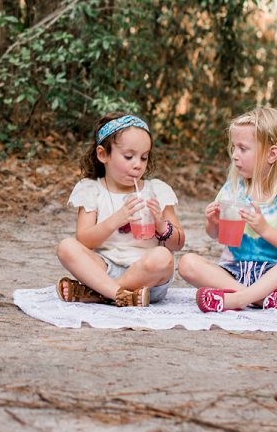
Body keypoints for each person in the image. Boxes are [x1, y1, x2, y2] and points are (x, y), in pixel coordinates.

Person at [178, 107, 277, 312]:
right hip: (232, 272)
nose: (234, 155)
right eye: (234, 148)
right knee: (187, 263)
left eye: (243, 148)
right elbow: (215, 235)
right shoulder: (232, 189)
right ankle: (259, 299)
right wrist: (213, 223)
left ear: (272, 154)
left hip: (274, 276)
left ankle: (238, 300)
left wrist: (264, 230)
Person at [56, 113, 185, 307]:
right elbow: (84, 240)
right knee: (66, 247)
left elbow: (178, 244)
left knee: (164, 258)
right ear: (103, 155)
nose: (138, 165)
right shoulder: (91, 189)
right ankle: (120, 294)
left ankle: (100, 293)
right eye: (128, 156)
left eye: (144, 157)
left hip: (147, 278)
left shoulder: (156, 190)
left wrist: (161, 226)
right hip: (103, 269)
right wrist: (117, 219)